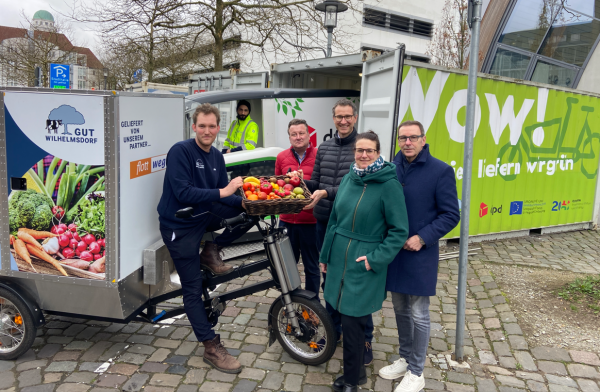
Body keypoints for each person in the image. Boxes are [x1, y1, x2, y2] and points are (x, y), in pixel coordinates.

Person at [157, 103, 254, 374]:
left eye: (212, 126)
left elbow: (225, 194)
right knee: (192, 287)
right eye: (202, 126)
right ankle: (211, 347)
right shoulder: (181, 151)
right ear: (194, 127)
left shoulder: (217, 157)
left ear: (218, 127)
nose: (207, 131)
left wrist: (249, 200)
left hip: (202, 216)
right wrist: (225, 193)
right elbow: (185, 192)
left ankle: (212, 250)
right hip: (179, 224)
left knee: (249, 212)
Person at [320, 131, 409, 392]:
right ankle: (356, 374)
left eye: (369, 150)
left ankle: (351, 382)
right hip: (338, 258)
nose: (364, 155)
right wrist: (325, 255)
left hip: (363, 261)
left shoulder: (388, 184)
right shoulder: (349, 178)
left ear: (378, 153)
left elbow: (399, 230)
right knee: (340, 313)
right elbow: (334, 220)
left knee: (353, 322)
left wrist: (375, 259)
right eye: (360, 150)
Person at [378, 120, 460, 392]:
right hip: (394, 251)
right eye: (403, 138)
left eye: (413, 138)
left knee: (418, 313)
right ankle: (405, 357)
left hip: (419, 252)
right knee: (400, 308)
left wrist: (423, 237)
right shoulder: (391, 168)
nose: (407, 143)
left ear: (423, 140)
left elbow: (451, 215)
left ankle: (417, 371)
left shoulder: (440, 170)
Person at [292, 99, 373, 361]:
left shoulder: (362, 149)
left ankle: (365, 340)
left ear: (355, 117)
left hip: (352, 226)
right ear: (333, 118)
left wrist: (326, 191)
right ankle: (334, 330)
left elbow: (362, 186)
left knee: (355, 282)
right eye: (339, 117)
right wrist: (302, 181)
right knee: (330, 280)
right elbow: (318, 181)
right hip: (325, 223)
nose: (344, 121)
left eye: (348, 116)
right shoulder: (324, 148)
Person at [274, 118, 320, 295]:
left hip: (311, 221)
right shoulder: (282, 157)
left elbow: (322, 184)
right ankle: (292, 304)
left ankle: (313, 306)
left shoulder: (319, 155)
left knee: (312, 267)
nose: (298, 137)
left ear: (309, 135)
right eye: (294, 134)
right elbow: (277, 186)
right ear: (289, 137)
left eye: (302, 133)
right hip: (287, 222)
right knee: (287, 267)